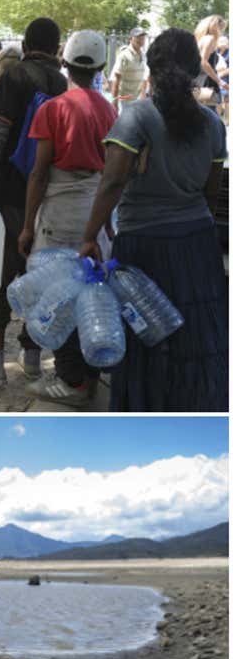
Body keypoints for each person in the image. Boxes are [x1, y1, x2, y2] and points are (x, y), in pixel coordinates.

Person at [77, 27, 228, 411]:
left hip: (145, 249)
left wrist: (89, 236)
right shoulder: (213, 124)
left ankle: (146, 413)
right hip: (197, 248)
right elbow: (212, 193)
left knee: (148, 334)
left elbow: (112, 182)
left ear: (153, 68)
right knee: (195, 334)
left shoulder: (137, 118)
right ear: (196, 71)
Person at [8, 30, 118, 405]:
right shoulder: (109, 109)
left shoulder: (52, 109)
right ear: (102, 67)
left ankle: (71, 382)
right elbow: (112, 174)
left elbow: (39, 173)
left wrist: (26, 225)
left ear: (64, 62)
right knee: (90, 294)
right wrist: (105, 224)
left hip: (60, 214)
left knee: (58, 297)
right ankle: (86, 374)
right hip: (94, 210)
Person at [0, 19, 68, 387]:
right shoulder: (63, 84)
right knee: (38, 277)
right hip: (47, 198)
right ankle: (32, 357)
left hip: (8, 192)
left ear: (25, 43)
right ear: (57, 48)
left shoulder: (16, 76)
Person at [110, 28, 151, 114]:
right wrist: (114, 102)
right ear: (131, 38)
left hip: (138, 99)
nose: (141, 40)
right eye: (138, 37)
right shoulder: (124, 56)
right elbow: (116, 79)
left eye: (143, 37)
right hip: (125, 99)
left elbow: (145, 77)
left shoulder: (143, 55)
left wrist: (143, 96)